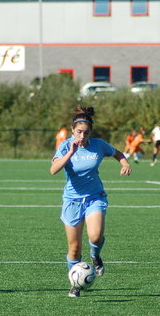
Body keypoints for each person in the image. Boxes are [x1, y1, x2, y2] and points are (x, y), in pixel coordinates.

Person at [50, 106, 132, 298]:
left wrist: (125, 163)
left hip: (95, 197)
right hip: (72, 200)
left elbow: (118, 153)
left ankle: (95, 256)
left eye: (86, 132)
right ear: (72, 130)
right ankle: (75, 284)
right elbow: (53, 170)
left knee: (95, 237)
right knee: (74, 248)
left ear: (90, 132)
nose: (82, 136)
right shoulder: (65, 146)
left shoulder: (98, 145)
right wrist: (70, 153)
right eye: (79, 131)